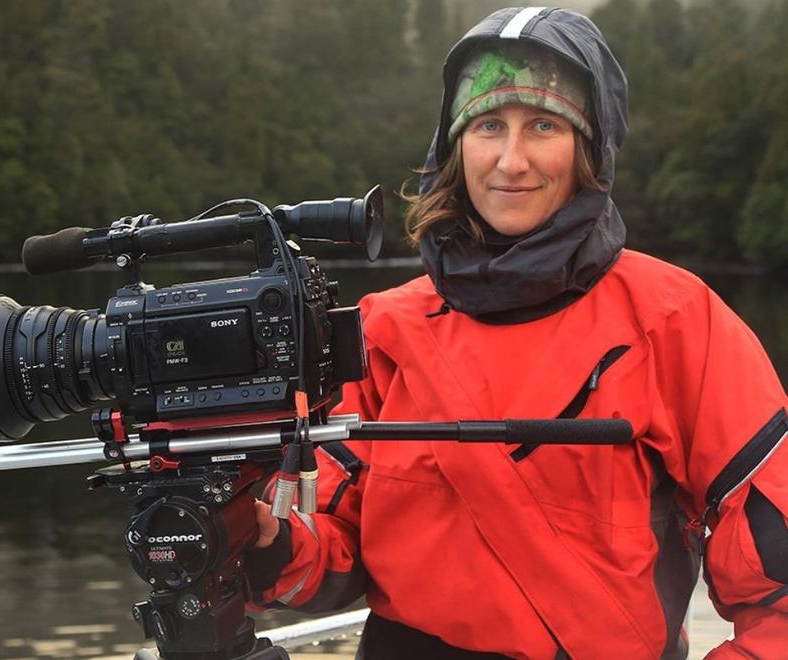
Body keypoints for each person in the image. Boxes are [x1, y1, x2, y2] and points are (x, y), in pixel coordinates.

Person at [244, 7, 788, 659]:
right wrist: (251, 537)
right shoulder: (382, 329)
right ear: (452, 148)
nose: (511, 159)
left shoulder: (677, 320)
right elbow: (329, 558)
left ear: (590, 149)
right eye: (488, 125)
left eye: (544, 125)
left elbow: (778, 595)